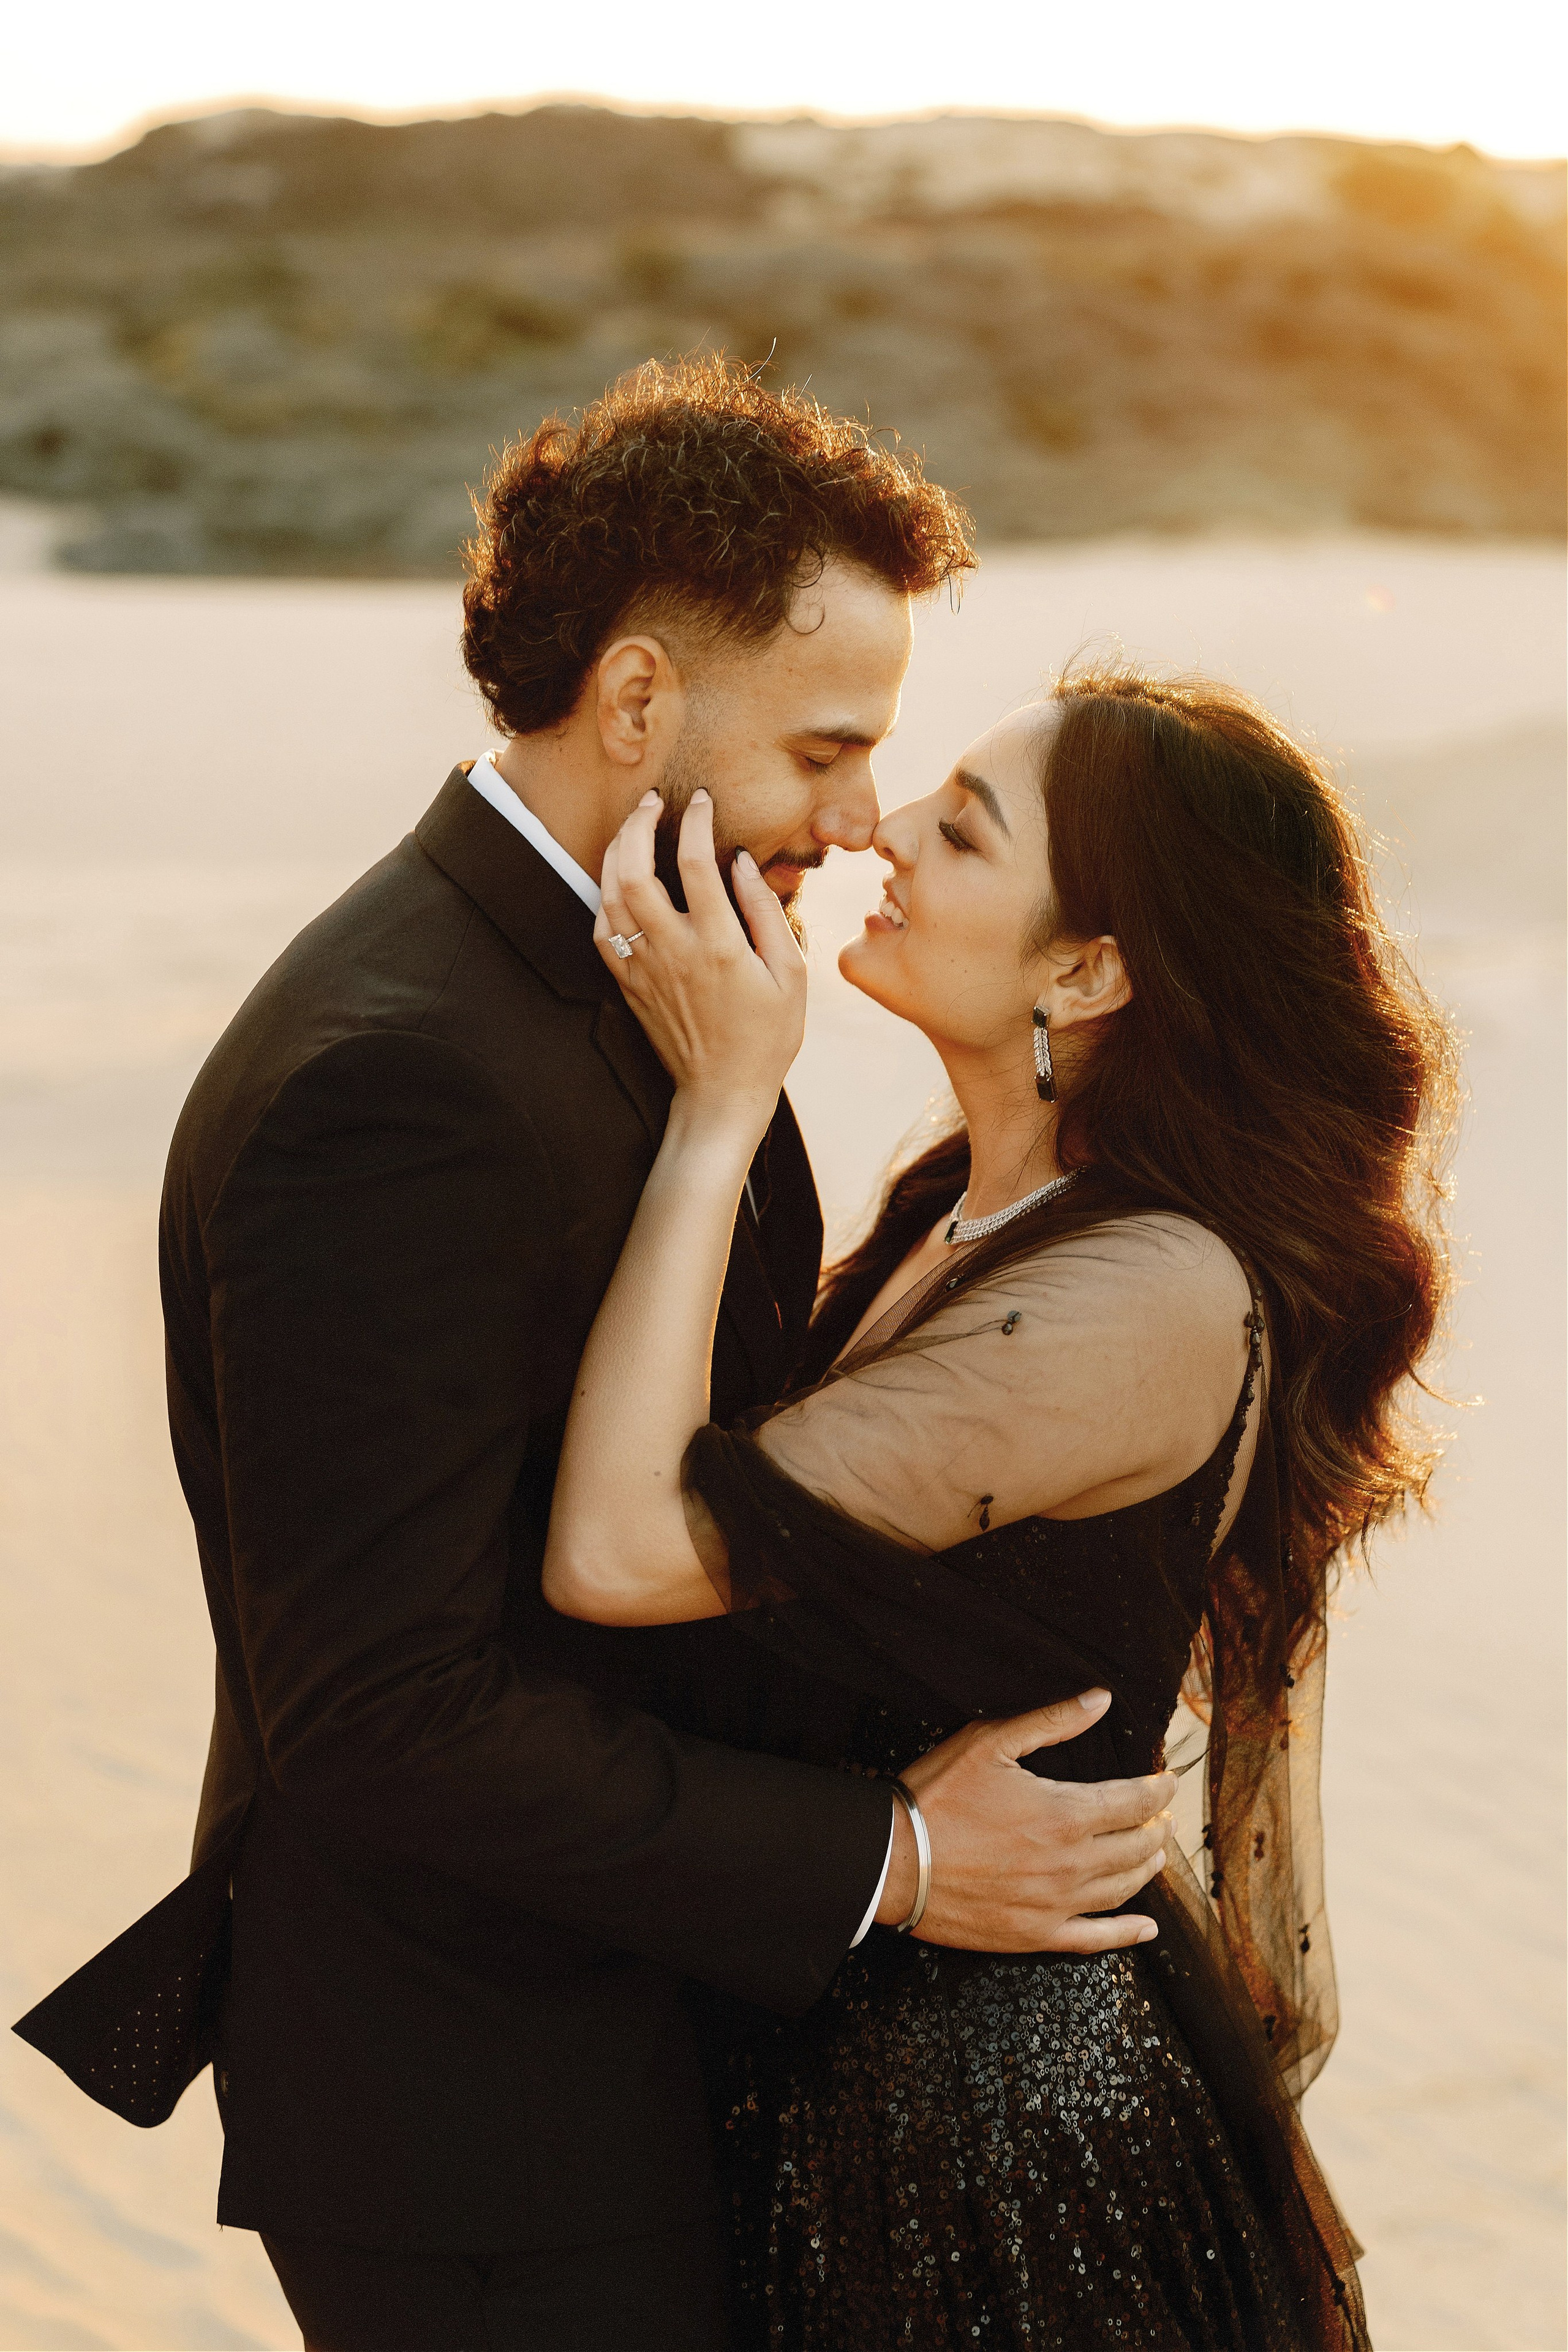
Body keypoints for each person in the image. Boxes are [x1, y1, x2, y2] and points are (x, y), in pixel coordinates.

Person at [12, 359, 1177, 2352]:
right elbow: (379, 1715)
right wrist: (893, 1861)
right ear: (637, 702)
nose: (858, 815)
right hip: (483, 2117)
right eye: (826, 748)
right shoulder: (401, 1074)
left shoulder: (654, 962)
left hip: (625, 2025)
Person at [543, 668, 1457, 2348]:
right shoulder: (964, 1220)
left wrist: (721, 1104)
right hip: (863, 2080)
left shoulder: (1140, 1294)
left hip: (1000, 2160)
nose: (881, 832)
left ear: (1090, 968)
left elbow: (619, 1556)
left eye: (959, 831)